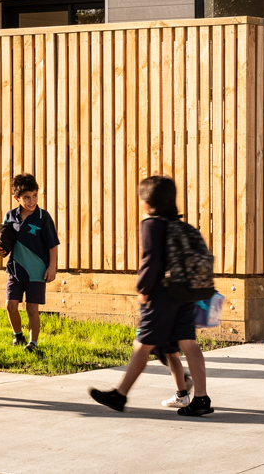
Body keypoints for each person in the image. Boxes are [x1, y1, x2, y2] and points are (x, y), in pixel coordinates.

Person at [88, 175, 213, 416]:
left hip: (163, 293)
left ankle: (120, 395)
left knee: (142, 344)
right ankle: (201, 399)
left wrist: (143, 289)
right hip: (186, 293)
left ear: (147, 202)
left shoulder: (152, 224)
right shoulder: (182, 226)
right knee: (188, 344)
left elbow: (151, 260)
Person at [0, 173, 59, 352]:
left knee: (32, 308)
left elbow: (53, 245)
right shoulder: (10, 216)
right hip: (15, 269)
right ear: (17, 198)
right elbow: (1, 239)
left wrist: (52, 267)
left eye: (35, 196)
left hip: (37, 271)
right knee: (10, 305)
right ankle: (18, 336)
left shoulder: (43, 217)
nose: (32, 201)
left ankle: (33, 343)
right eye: (26, 197)